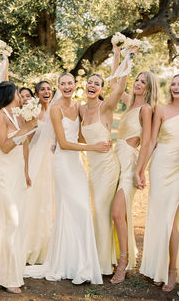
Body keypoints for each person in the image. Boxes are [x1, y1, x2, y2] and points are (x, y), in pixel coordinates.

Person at [25, 72, 111, 285]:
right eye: (62, 84)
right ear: (58, 87)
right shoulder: (55, 109)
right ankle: (71, 263)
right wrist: (94, 147)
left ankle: (80, 262)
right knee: (73, 208)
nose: (66, 86)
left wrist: (101, 137)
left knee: (81, 209)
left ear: (75, 85)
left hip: (77, 164)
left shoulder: (79, 107)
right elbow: (63, 143)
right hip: (63, 163)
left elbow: (81, 134)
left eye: (70, 83)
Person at [80, 51, 134, 275]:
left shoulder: (106, 107)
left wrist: (126, 58)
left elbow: (120, 89)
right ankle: (99, 257)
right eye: (90, 82)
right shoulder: (81, 109)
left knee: (102, 210)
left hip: (109, 167)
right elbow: (77, 138)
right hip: (93, 168)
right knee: (98, 211)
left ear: (101, 90)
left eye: (97, 84)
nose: (93, 85)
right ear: (85, 86)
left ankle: (102, 264)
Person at [110, 45, 159, 283]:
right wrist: (119, 55)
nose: (138, 83)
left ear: (149, 87)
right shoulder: (130, 103)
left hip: (129, 162)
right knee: (117, 213)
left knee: (118, 213)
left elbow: (148, 142)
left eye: (143, 82)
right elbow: (112, 83)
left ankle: (124, 261)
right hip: (114, 159)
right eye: (137, 79)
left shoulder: (147, 109)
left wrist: (141, 170)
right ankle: (118, 256)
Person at [0, 81, 37, 294]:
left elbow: (24, 145)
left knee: (18, 223)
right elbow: (6, 147)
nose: (21, 96)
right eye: (18, 92)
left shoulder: (18, 115)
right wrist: (25, 128)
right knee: (11, 222)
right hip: (4, 173)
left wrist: (26, 171)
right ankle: (5, 276)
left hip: (17, 173)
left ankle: (10, 269)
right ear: (11, 94)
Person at [139, 74, 179, 292]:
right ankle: (160, 269)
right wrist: (142, 169)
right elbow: (151, 140)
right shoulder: (162, 110)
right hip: (161, 167)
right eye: (173, 83)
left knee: (172, 219)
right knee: (161, 218)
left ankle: (172, 270)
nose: (175, 87)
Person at [26, 80, 54, 265]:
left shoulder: (56, 111)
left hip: (52, 159)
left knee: (50, 199)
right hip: (36, 158)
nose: (46, 91)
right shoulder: (33, 113)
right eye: (42, 89)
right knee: (33, 199)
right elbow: (27, 139)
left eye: (48, 89)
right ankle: (31, 245)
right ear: (37, 94)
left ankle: (49, 245)